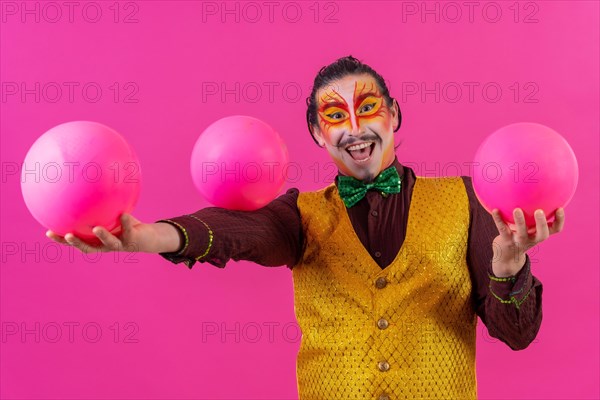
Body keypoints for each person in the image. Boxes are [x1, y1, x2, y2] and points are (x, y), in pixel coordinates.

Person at [48, 56, 565, 399]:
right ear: (318, 133)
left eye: (368, 109)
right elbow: (234, 230)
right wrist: (146, 237)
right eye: (335, 116)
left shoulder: (468, 199)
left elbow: (517, 335)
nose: (356, 129)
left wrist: (508, 263)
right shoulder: (300, 216)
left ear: (395, 116)